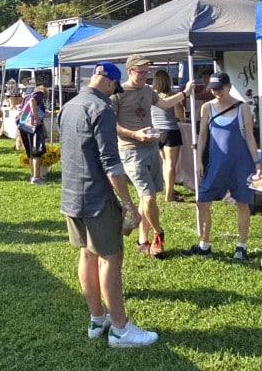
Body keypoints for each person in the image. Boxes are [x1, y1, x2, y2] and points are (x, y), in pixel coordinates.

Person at [59, 61, 158, 348]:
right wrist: (128, 203)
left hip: (71, 196)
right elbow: (111, 164)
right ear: (112, 84)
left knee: (87, 256)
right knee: (110, 258)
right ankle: (120, 329)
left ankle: (96, 318)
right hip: (97, 197)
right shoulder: (102, 109)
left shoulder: (70, 105)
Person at [112, 54, 193, 258]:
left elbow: (165, 105)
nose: (144, 76)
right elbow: (111, 125)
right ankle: (159, 232)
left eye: (147, 72)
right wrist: (134, 134)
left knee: (147, 198)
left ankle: (142, 241)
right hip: (130, 150)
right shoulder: (118, 93)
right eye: (140, 72)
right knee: (148, 198)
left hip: (151, 147)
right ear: (130, 71)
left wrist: (185, 93)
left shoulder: (148, 90)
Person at [184, 72, 261, 261]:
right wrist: (199, 160)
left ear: (229, 86)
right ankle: (204, 244)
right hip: (215, 163)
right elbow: (202, 136)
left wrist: (257, 164)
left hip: (241, 163)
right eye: (213, 89)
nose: (216, 92)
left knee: (243, 203)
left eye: (219, 88)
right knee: (202, 201)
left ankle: (241, 246)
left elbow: (250, 137)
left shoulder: (242, 108)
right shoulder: (207, 108)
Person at [151, 70, 185, 202]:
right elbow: (180, 115)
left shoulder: (152, 96)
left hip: (157, 131)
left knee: (164, 162)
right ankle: (169, 195)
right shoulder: (173, 96)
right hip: (170, 131)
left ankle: (168, 190)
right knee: (171, 164)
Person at [17, 85, 48, 184]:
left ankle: (32, 175)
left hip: (23, 126)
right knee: (37, 152)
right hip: (32, 127)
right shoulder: (38, 95)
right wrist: (36, 118)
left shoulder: (26, 97)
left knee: (30, 153)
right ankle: (37, 177)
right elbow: (33, 102)